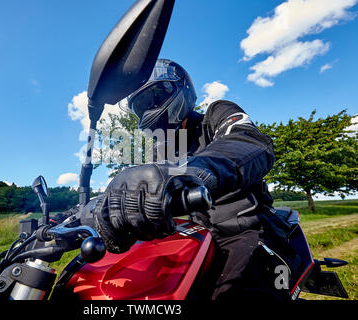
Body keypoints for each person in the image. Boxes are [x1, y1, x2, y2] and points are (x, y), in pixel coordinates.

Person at [92, 59, 302, 301]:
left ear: (181, 89)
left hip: (247, 228)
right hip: (193, 237)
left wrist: (196, 172)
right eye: (141, 106)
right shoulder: (160, 151)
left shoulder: (215, 115)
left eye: (154, 97)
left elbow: (249, 142)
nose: (149, 110)